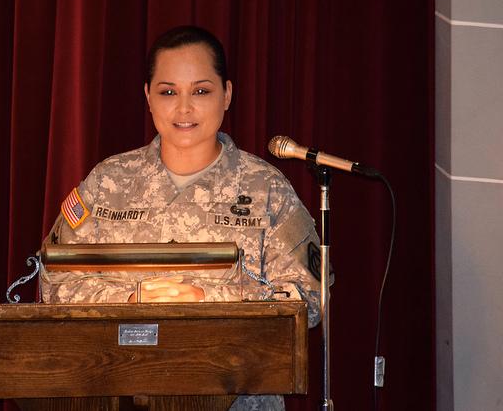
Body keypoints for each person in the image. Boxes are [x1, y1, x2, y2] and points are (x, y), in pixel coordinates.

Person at [41, 25, 321, 411]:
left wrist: (206, 299)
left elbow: (306, 298)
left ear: (227, 95)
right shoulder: (107, 182)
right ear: (148, 98)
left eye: (201, 91)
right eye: (168, 92)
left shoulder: (266, 189)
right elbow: (54, 281)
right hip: (118, 391)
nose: (184, 108)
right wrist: (133, 299)